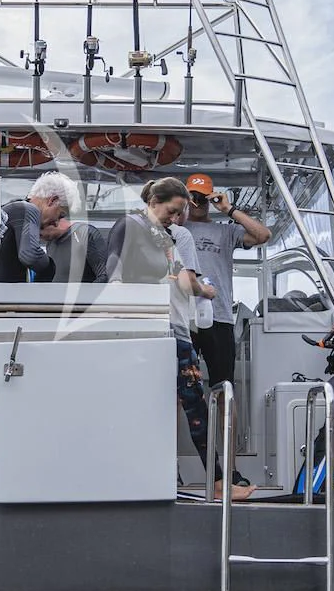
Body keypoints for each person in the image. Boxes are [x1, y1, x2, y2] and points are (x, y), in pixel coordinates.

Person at [104, 178, 248, 501]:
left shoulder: (167, 236)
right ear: (154, 201)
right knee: (171, 404)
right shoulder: (129, 225)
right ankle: (208, 480)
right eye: (173, 210)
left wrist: (204, 290)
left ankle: (215, 480)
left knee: (194, 403)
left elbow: (183, 278)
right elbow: (112, 269)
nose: (176, 217)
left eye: (180, 212)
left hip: (175, 330)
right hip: (147, 332)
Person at [180, 173, 270, 392]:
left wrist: (228, 209)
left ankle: (227, 427)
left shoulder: (226, 230)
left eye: (203, 197)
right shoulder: (177, 229)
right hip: (184, 318)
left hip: (219, 317)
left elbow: (263, 235)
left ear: (211, 198)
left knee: (224, 389)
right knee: (179, 388)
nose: (198, 203)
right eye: (193, 197)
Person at [0, 170, 88, 311]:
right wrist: (50, 268)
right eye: (60, 214)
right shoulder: (27, 210)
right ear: (53, 200)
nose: (56, 223)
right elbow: (30, 256)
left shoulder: (4, 213)